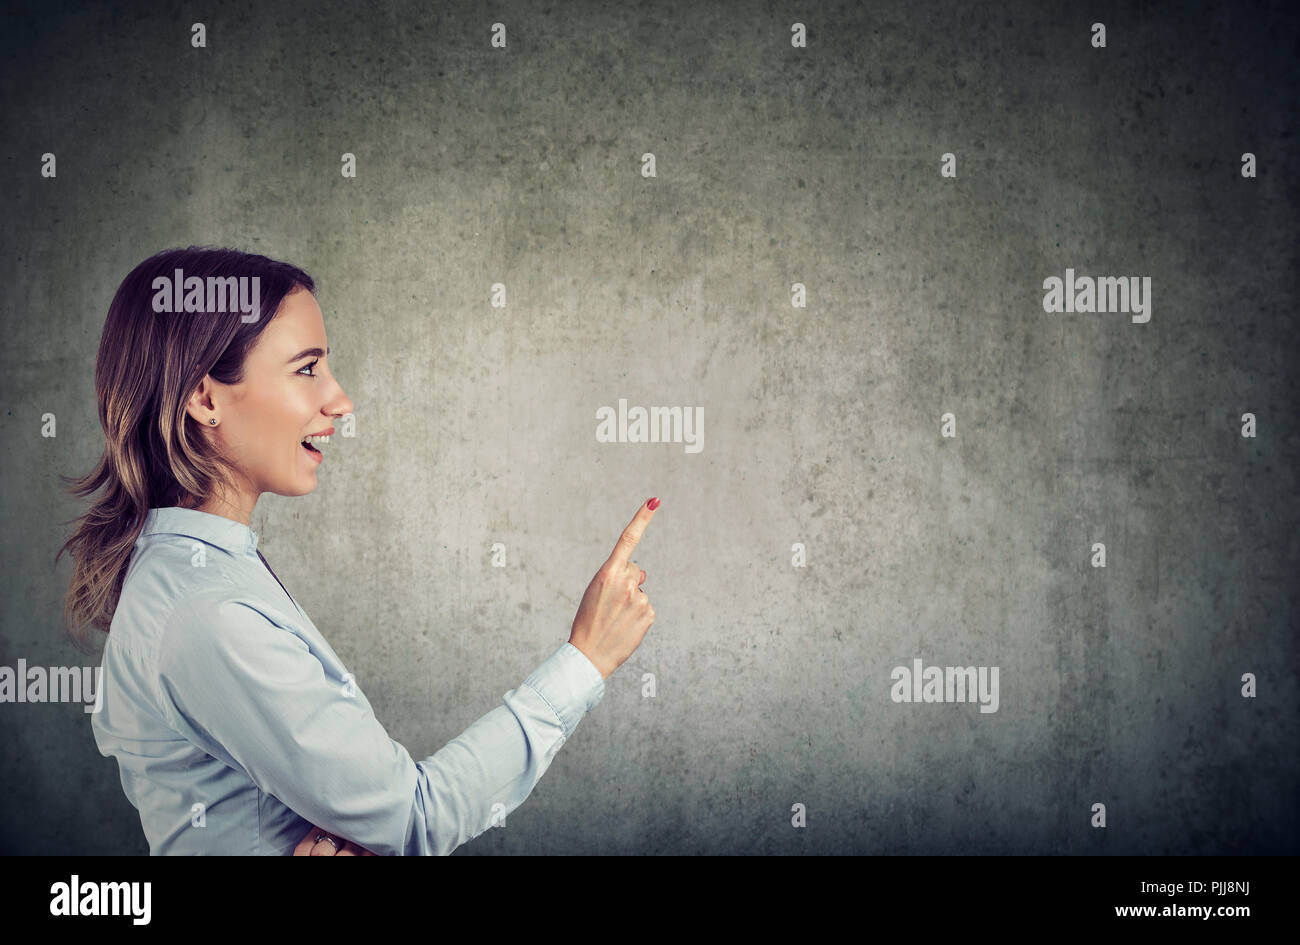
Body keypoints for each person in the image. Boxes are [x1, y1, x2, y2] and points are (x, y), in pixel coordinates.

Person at [56, 246, 659, 855]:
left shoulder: (203, 573)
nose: (339, 401)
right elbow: (414, 819)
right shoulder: (206, 612)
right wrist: (586, 659)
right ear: (205, 399)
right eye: (307, 368)